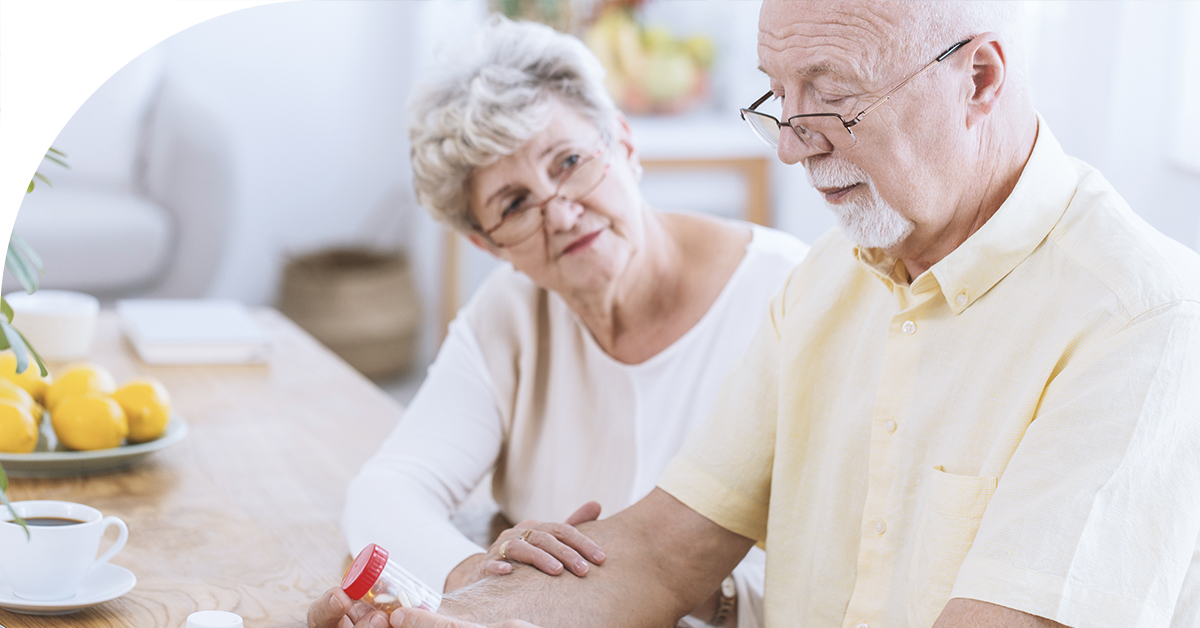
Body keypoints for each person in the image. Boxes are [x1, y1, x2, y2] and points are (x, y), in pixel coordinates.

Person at [310, 0, 1200, 627]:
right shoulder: (827, 282)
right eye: (779, 92)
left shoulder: (1144, 316)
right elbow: (662, 555)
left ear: (978, 78)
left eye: (834, 95)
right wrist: (447, 616)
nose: (790, 142)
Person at [311, 14, 809, 628]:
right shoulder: (509, 315)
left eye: (569, 160)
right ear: (490, 245)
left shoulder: (788, 294)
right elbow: (386, 490)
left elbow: (834, 563)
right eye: (514, 203)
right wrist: (482, 584)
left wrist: (686, 589)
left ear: (623, 144)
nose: (563, 213)